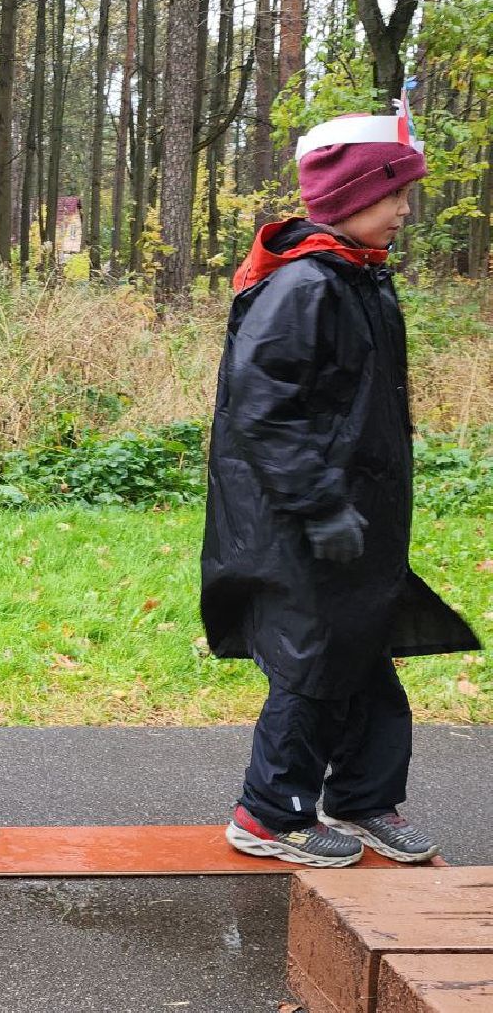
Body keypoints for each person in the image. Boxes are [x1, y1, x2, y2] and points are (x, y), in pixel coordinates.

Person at [202, 108, 481, 868]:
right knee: (314, 664)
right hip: (303, 519)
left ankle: (361, 799)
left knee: (365, 656)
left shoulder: (358, 277)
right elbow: (262, 409)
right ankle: (269, 814)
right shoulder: (304, 288)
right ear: (351, 197)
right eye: (393, 196)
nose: (402, 211)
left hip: (358, 516)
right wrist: (321, 505)